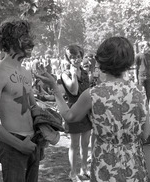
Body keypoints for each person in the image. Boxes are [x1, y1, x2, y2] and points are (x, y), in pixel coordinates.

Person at [36, 36, 150, 182]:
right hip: (134, 164)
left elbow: (69, 116)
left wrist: (55, 88)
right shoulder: (140, 92)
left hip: (105, 165)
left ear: (102, 61)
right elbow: (145, 133)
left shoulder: (93, 94)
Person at [0, 19, 41, 182]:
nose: (33, 43)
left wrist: (43, 131)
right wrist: (19, 145)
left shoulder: (26, 72)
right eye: (26, 38)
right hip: (13, 147)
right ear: (12, 41)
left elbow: (31, 107)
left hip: (33, 143)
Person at [57, 45, 92, 182]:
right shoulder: (65, 74)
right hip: (74, 111)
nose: (76, 59)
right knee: (74, 144)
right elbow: (73, 90)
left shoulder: (84, 73)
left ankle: (84, 168)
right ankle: (73, 172)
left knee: (85, 143)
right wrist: (73, 73)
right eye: (72, 57)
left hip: (87, 112)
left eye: (78, 56)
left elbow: (87, 91)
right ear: (68, 59)